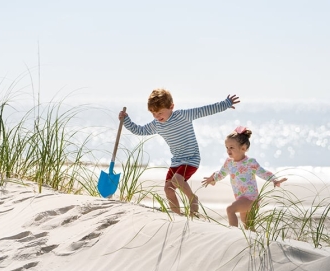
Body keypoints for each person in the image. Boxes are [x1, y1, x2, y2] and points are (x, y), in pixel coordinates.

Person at [118, 88, 240, 216]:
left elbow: (205, 110)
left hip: (191, 158)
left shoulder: (183, 115)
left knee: (176, 179)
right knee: (168, 189)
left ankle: (193, 199)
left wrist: (226, 103)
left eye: (160, 113)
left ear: (171, 106)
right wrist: (126, 121)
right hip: (176, 161)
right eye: (153, 113)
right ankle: (178, 216)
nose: (157, 116)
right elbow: (140, 130)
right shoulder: (156, 125)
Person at [202, 126, 287, 228]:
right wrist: (213, 179)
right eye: (227, 147)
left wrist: (274, 180)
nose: (228, 150)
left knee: (230, 210)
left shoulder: (250, 162)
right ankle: (254, 242)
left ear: (243, 148)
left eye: (232, 147)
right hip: (240, 199)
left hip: (251, 199)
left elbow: (263, 173)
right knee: (248, 227)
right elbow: (221, 174)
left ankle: (232, 233)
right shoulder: (229, 163)